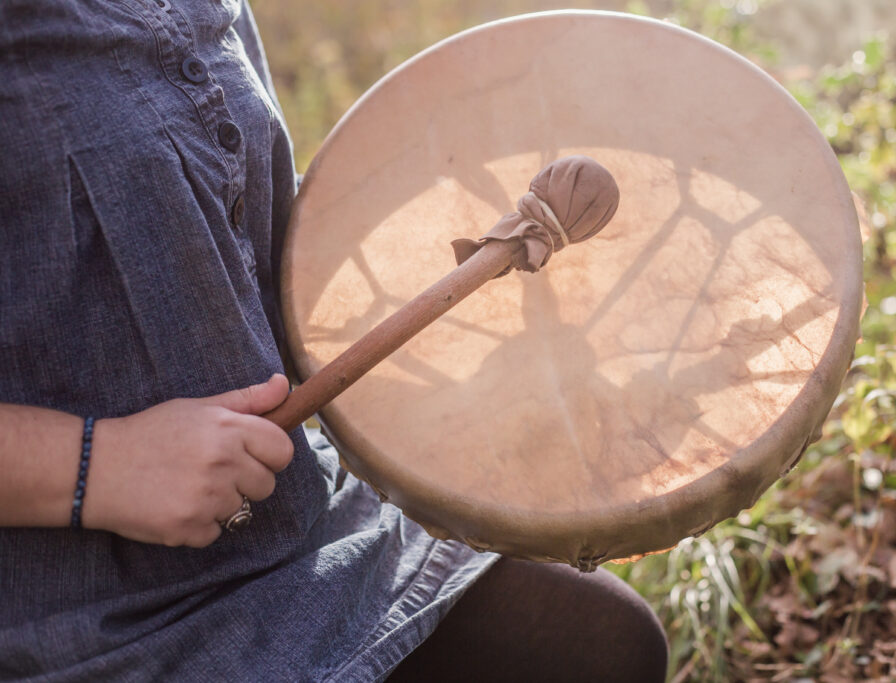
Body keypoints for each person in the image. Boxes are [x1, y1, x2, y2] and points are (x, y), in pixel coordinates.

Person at [0, 2, 668, 680]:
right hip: (77, 616)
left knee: (602, 642)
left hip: (297, 520)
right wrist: (99, 465)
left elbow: (226, 260)